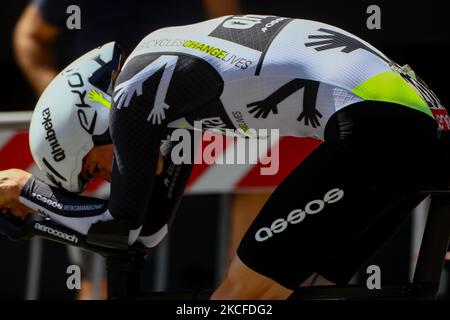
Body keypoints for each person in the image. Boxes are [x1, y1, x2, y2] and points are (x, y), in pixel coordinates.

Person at [1, 14, 449, 299]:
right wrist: (42, 217)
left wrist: (32, 192)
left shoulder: (134, 96)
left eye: (94, 168)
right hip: (423, 122)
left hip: (379, 125)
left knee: (238, 297)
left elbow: (121, 225)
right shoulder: (163, 76)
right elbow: (147, 233)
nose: (107, 176)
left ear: (89, 122)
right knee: (298, 290)